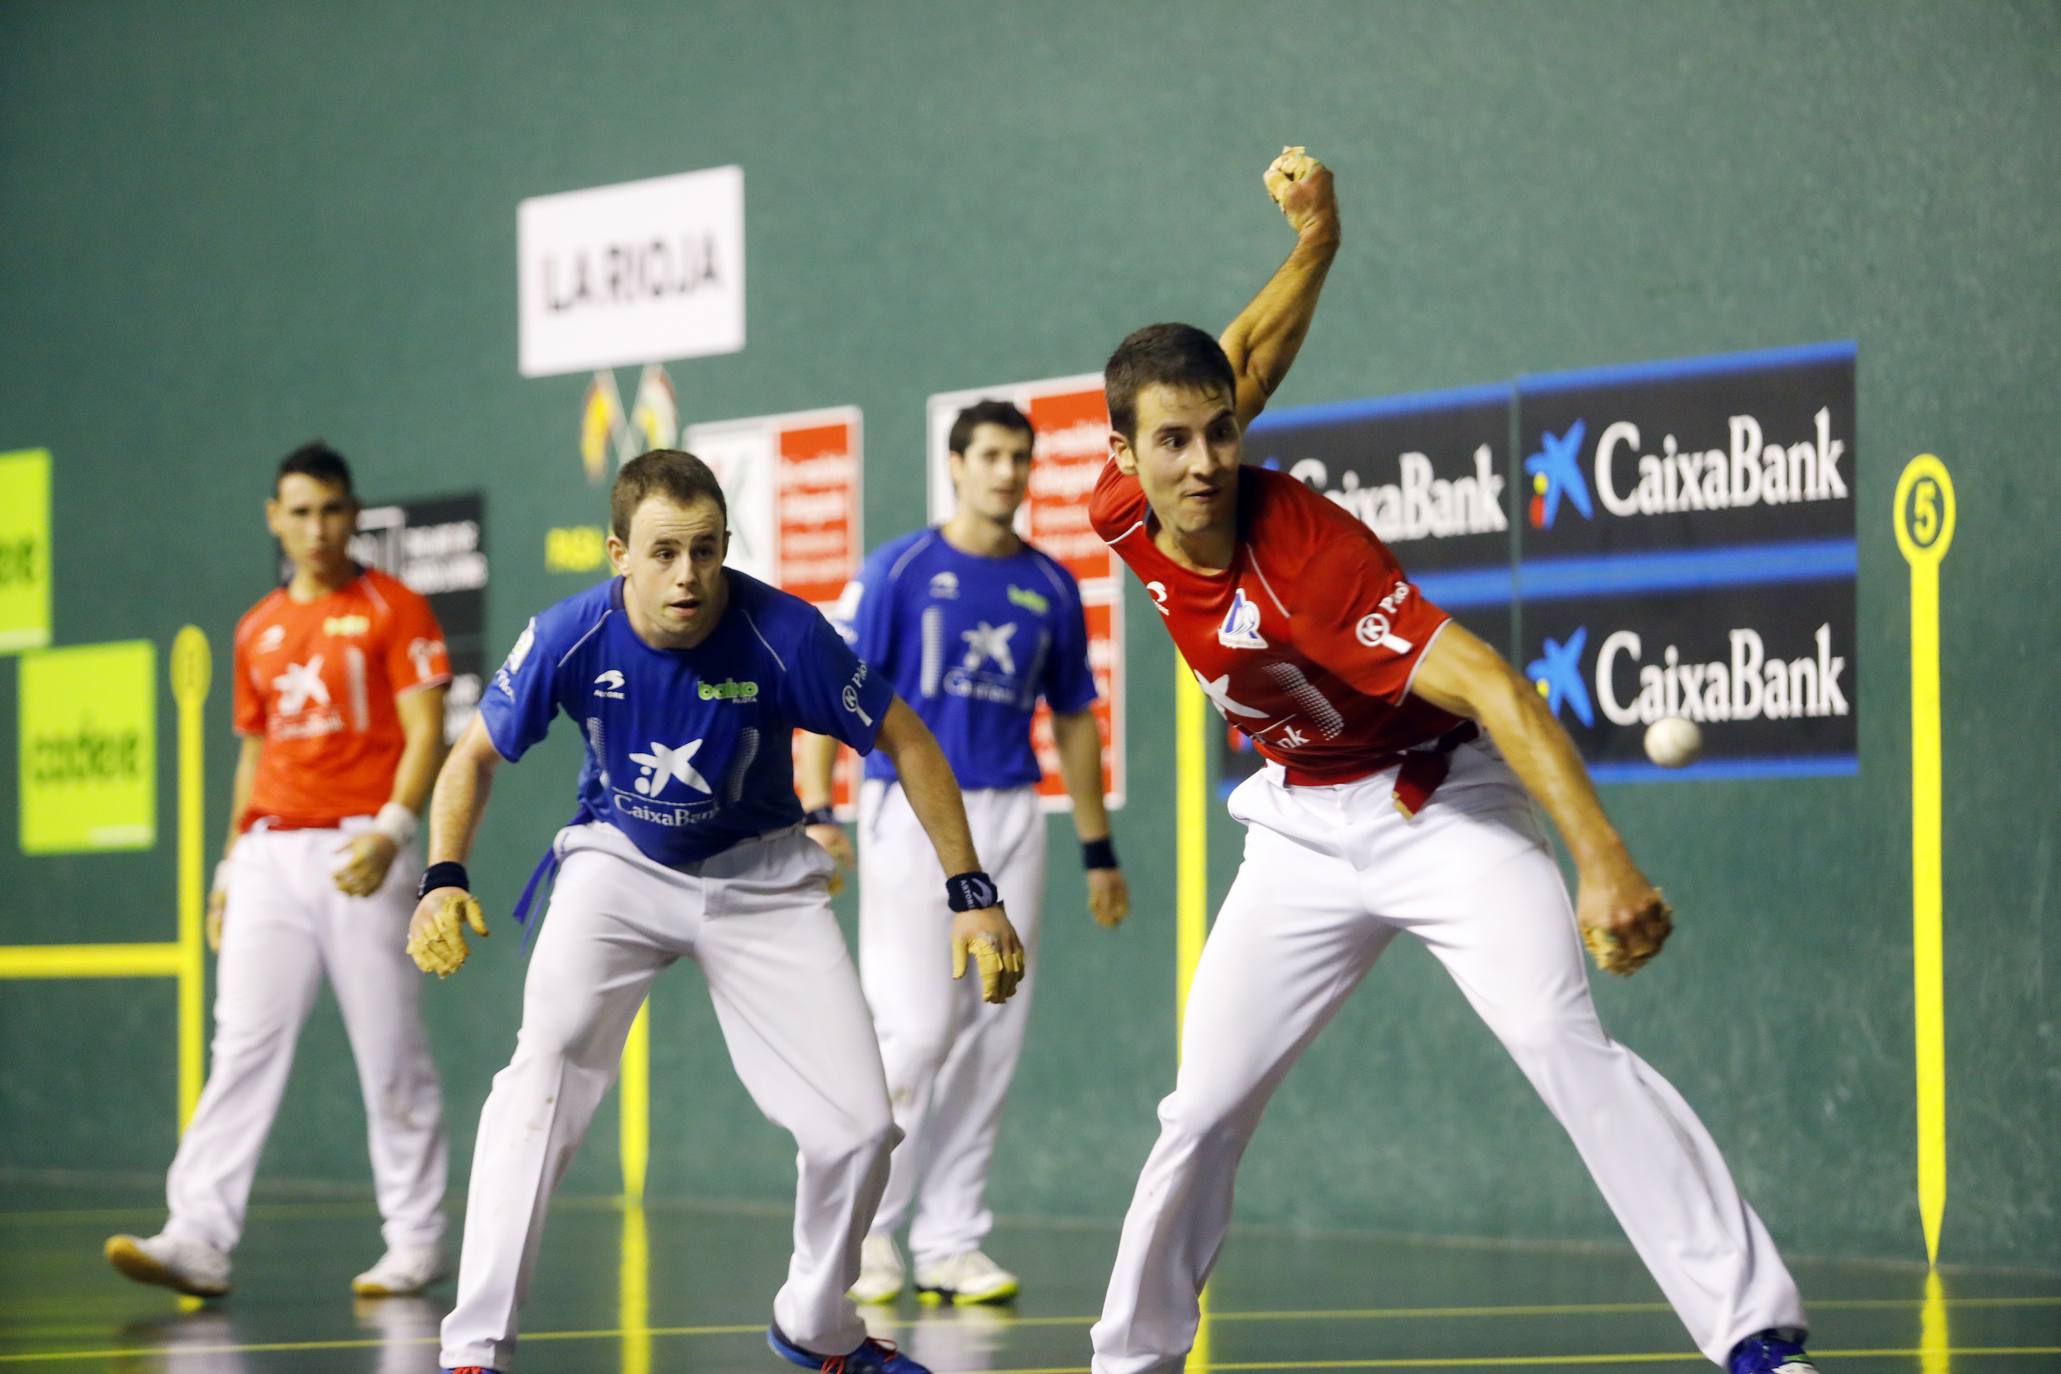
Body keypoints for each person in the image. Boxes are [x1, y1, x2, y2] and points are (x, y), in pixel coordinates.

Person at [1084, 153, 1819, 1374]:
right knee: (1201, 1106)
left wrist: (1602, 864)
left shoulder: (1312, 562)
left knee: (1558, 1038)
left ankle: (1752, 1332)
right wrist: (1316, 239)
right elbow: (1246, 356)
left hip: (1438, 808)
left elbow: (1493, 685)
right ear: (1124, 457)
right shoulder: (1125, 507)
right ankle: (1131, 1361)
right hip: (1300, 831)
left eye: (1222, 433)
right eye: (1175, 441)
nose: (1207, 461)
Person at [414, 449, 1026, 1374]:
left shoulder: (785, 632)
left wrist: (971, 893)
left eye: (705, 550)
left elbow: (904, 737)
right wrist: (442, 875)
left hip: (763, 880)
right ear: (619, 552)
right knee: (539, 1077)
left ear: (727, 546)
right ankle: (474, 1352)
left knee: (859, 1127)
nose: (687, 576)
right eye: (663, 552)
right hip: (618, 864)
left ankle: (817, 1327)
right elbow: (471, 759)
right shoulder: (568, 635)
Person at [799, 400, 1130, 1307]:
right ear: (955, 463)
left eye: (1020, 457)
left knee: (991, 1033)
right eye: (989, 455)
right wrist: (817, 807)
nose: (1007, 472)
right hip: (906, 815)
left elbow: (1070, 721)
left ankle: (951, 1239)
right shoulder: (899, 571)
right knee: (916, 1030)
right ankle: (865, 1235)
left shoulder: (1052, 586)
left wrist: (1097, 850)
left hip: (1013, 813)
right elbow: (835, 690)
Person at [106, 442, 454, 1300]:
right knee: (242, 1048)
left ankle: (413, 1241)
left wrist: (392, 830)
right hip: (267, 853)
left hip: (360, 849)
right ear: (274, 518)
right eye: (299, 512)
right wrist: (229, 867)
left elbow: (425, 732)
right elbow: (253, 753)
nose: (316, 528)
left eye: (332, 510)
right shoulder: (256, 627)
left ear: (353, 512)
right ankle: (196, 1237)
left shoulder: (394, 607)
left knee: (389, 1054)